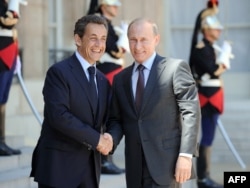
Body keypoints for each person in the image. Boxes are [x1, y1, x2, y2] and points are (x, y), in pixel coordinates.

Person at [106, 18, 201, 188]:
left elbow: (191, 113)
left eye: (144, 40)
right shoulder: (121, 79)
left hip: (167, 166)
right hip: (135, 168)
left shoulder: (175, 68)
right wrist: (110, 138)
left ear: (156, 40)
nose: (137, 46)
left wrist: (186, 155)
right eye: (133, 40)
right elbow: (116, 120)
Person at [30, 14, 113, 188]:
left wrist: (111, 137)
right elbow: (59, 116)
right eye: (93, 38)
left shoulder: (103, 81)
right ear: (78, 39)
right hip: (59, 169)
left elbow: (108, 119)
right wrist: (96, 139)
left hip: (90, 171)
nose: (99, 45)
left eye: (103, 39)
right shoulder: (59, 72)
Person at [189, 1, 232, 188]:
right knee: (206, 137)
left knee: (208, 137)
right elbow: (213, 70)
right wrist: (223, 62)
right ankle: (202, 178)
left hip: (212, 96)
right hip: (207, 97)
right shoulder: (201, 48)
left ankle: (204, 176)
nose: (219, 32)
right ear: (206, 30)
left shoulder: (210, 47)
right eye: (216, 29)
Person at [87, 0, 127, 174]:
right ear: (103, 5)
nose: (116, 7)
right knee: (105, 118)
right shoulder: (100, 23)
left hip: (113, 73)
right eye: (113, 4)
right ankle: (103, 160)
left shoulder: (108, 24)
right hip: (106, 73)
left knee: (110, 117)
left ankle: (106, 158)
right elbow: (115, 50)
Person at [0, 0, 27, 156]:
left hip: (7, 55)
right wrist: (14, 5)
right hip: (1, 55)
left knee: (3, 99)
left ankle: (1, 140)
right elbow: (7, 22)